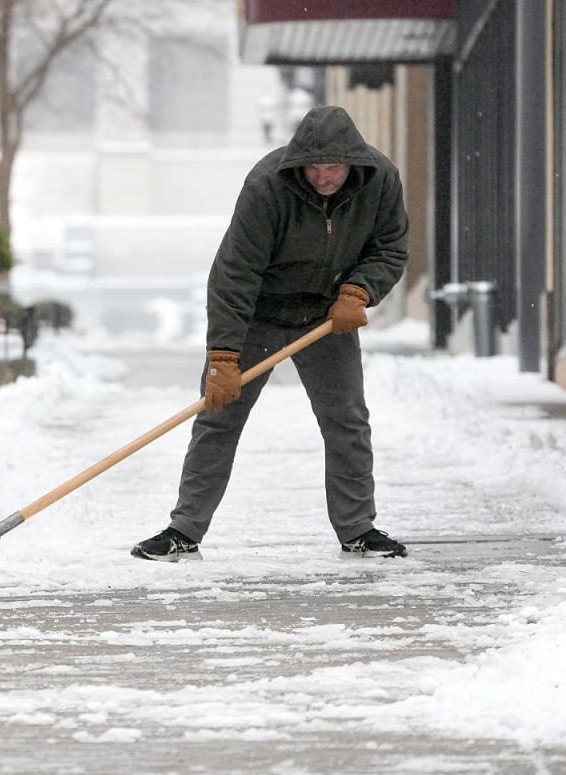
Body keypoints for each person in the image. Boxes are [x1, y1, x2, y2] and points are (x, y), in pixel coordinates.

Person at [131, 105, 410, 563]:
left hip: (326, 317)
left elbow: (391, 245)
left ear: (352, 163)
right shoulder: (268, 185)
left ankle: (358, 528)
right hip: (259, 313)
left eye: (333, 168)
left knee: (347, 422)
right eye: (315, 168)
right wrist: (223, 357)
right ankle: (184, 529)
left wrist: (359, 291)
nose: (323, 178)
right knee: (218, 418)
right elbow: (234, 272)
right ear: (299, 161)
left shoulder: (380, 179)